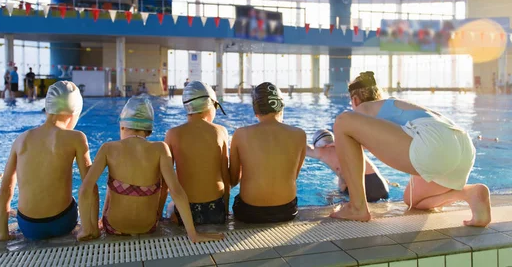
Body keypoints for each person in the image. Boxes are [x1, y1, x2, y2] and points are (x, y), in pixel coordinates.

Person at [330, 71, 491, 227]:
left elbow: (352, 138)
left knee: (343, 121)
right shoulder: (392, 105)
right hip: (462, 145)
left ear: (355, 100)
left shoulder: (364, 108)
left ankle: (357, 207)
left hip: (432, 143)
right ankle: (470, 193)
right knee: (413, 201)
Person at [77, 95, 223, 243]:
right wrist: (193, 234)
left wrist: (87, 228)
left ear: (122, 126)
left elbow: (85, 190)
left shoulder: (108, 148)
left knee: (112, 184)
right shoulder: (160, 149)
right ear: (148, 130)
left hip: (114, 226)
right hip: (148, 226)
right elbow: (176, 191)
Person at [0, 81, 98, 241]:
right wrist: (91, 227)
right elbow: (89, 186)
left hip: (28, 226)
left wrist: (2, 233)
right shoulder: (76, 138)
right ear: (73, 114)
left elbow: (4, 191)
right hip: (62, 222)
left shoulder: (21, 139)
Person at [229, 82, 307, 223]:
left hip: (249, 211)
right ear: (281, 106)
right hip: (286, 210)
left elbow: (233, 180)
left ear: (256, 110)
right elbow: (293, 176)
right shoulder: (299, 134)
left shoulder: (240, 134)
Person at [163, 81, 229, 226]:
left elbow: (165, 182)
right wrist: (225, 211)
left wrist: (157, 215)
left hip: (187, 211)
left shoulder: (173, 134)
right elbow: (226, 177)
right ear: (210, 105)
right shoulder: (221, 131)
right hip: (215, 210)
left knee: (169, 207)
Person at [306, 129, 389, 202]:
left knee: (325, 197)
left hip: (368, 187)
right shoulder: (349, 145)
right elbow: (375, 143)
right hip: (380, 187)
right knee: (334, 193)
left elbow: (304, 148)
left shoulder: (320, 152)